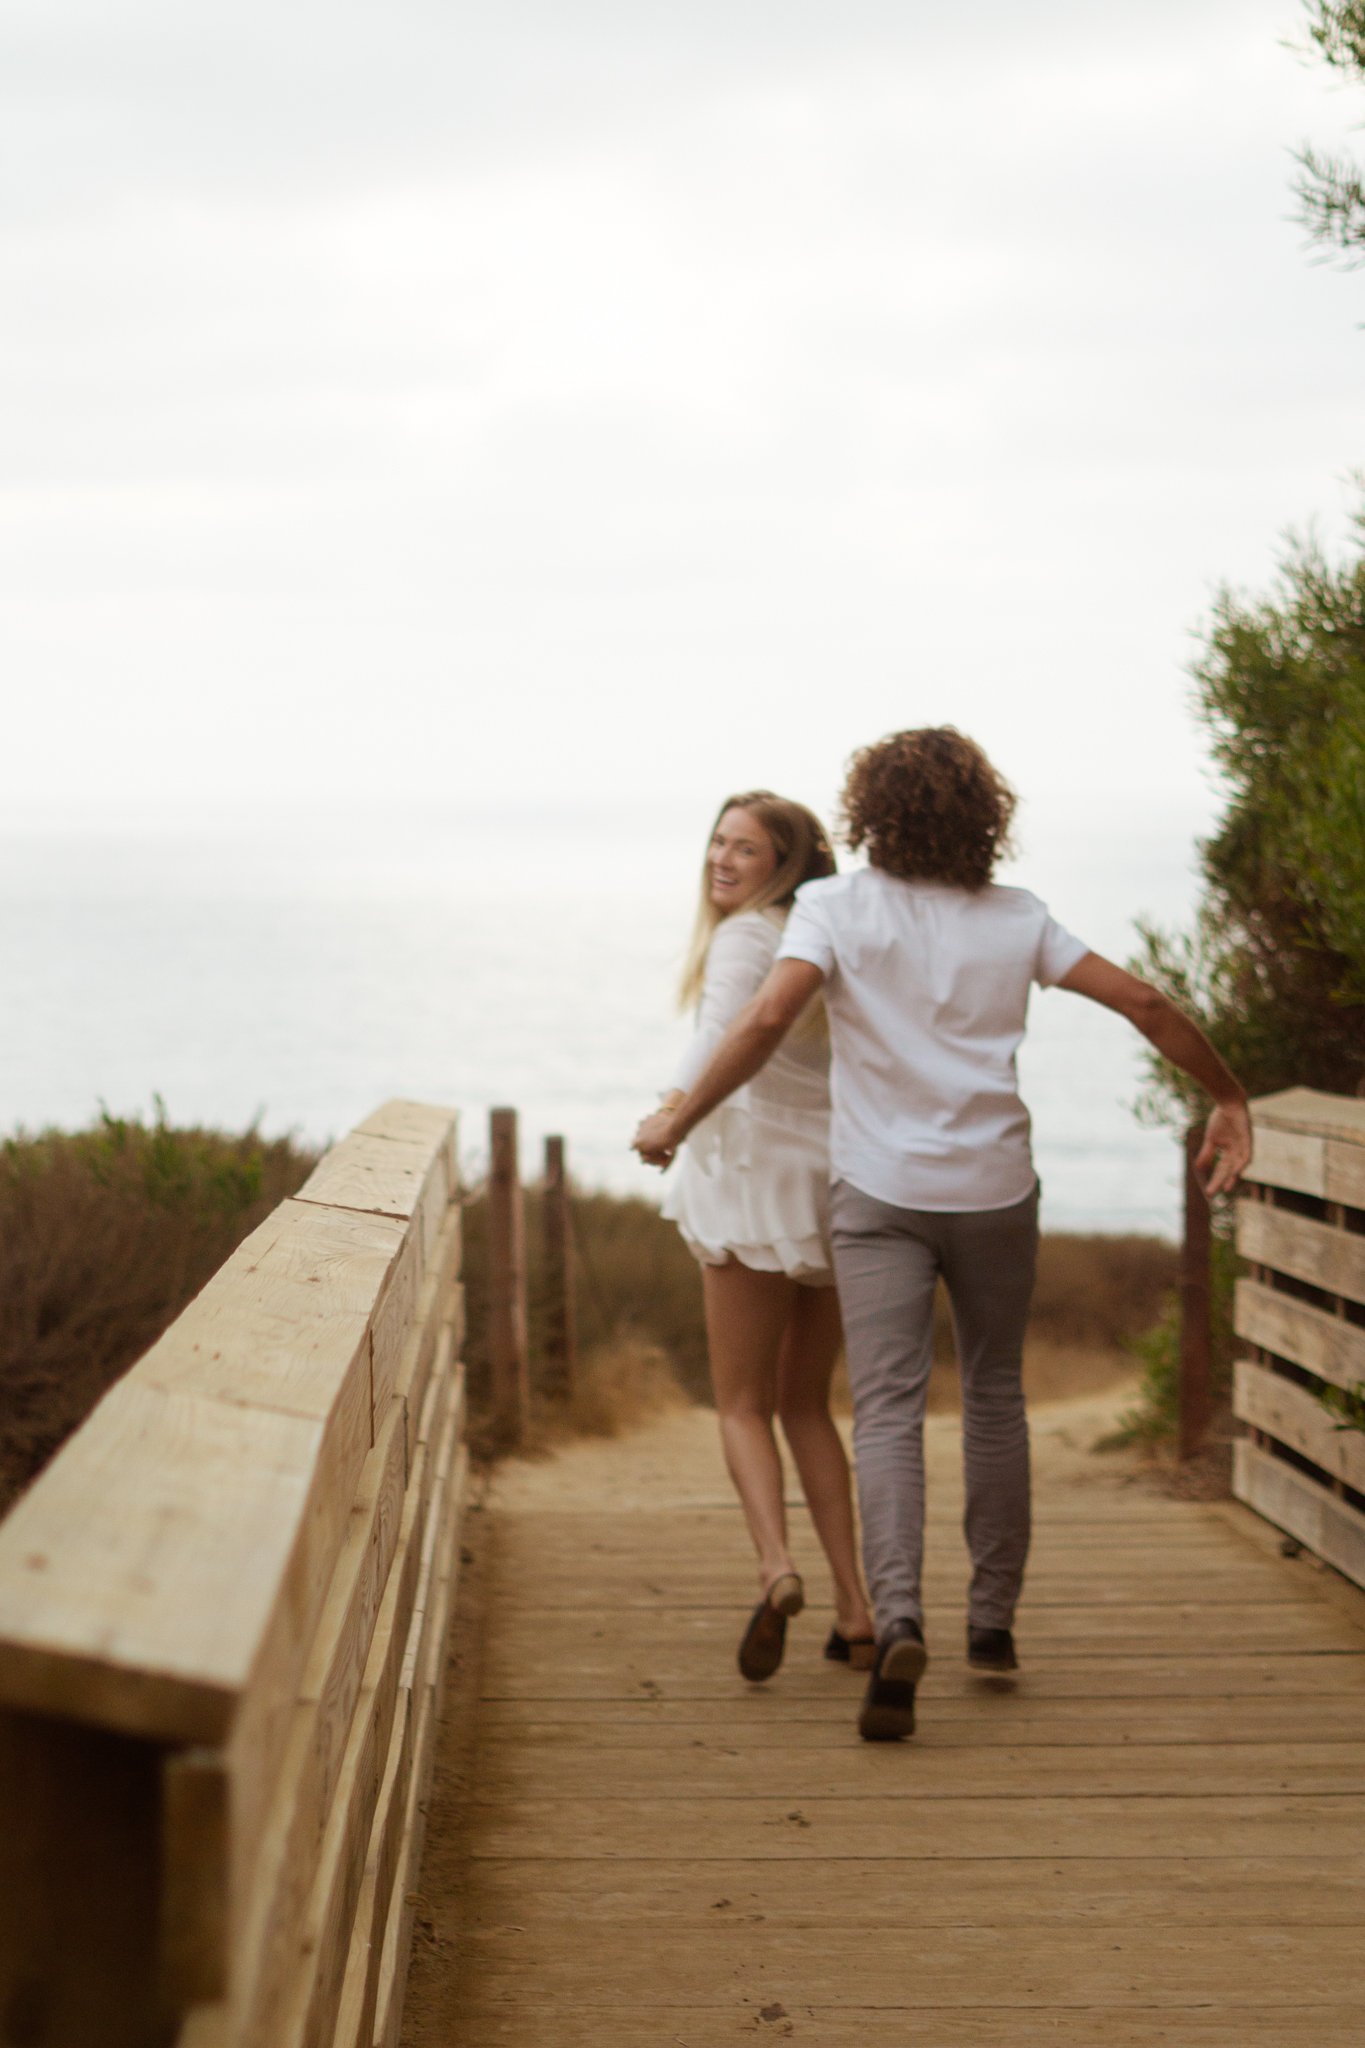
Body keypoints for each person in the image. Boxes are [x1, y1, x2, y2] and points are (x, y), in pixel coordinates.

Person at [635, 728, 1252, 1743]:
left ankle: (898, 1615)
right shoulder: (1018, 917)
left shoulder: (832, 907)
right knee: (997, 1394)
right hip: (995, 1189)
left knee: (884, 1409)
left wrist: (678, 1118)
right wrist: (1226, 1093)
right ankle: (994, 1623)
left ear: (871, 810)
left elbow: (760, 1023)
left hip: (879, 1193)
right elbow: (1142, 998)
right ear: (985, 814)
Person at [638, 791, 875, 1683]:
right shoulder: (824, 933)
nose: (722, 860)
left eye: (746, 848)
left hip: (748, 1186)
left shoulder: (745, 938)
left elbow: (723, 1033)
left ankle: (776, 1568)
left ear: (787, 863)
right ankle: (857, 1612)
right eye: (717, 841)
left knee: (740, 1403)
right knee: (808, 1403)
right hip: (829, 1182)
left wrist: (670, 1112)